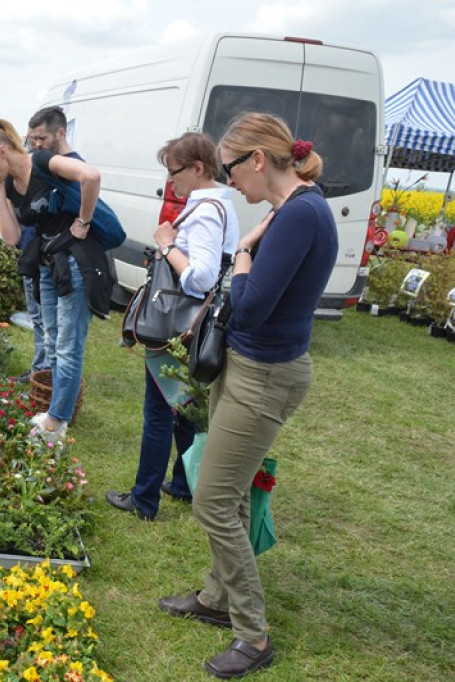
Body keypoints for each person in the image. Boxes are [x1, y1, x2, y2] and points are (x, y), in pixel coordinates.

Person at [158, 112, 337, 679]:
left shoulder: (300, 213)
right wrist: (254, 244)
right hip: (250, 367)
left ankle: (253, 636)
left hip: (264, 375)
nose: (230, 180)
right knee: (229, 495)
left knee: (212, 501)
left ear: (258, 159)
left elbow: (252, 304)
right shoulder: (297, 207)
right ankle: (217, 598)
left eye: (232, 168)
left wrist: (241, 254)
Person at [105, 133, 239, 521]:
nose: (170, 180)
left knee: (160, 413)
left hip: (176, 324)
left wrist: (167, 245)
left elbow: (201, 277)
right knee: (183, 406)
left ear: (198, 168)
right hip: (192, 323)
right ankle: (182, 482)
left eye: (174, 171)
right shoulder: (219, 205)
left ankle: (144, 499)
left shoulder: (206, 212)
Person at [0, 119, 110, 443]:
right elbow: (11, 237)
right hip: (48, 265)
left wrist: (83, 222)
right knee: (51, 342)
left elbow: (91, 176)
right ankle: (55, 413)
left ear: (1, 151)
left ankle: (56, 422)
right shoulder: (7, 184)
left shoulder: (43, 161)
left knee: (67, 344)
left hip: (74, 261)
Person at [12, 105, 85, 382]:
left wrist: (83, 222)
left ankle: (51, 379)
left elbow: (91, 180)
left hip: (63, 260)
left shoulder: (72, 165)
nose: (37, 145)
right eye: (33, 139)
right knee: (47, 326)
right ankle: (45, 376)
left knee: (61, 336)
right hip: (42, 255)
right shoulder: (45, 163)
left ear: (61, 133)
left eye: (42, 138)